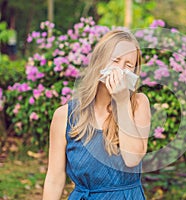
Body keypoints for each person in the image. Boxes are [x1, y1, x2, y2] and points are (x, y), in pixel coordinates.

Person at [42, 30, 151, 200]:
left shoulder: (138, 104)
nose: (121, 69)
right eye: (115, 60)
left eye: (129, 65)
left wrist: (122, 102)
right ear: (99, 62)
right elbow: (55, 178)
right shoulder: (65, 116)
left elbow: (132, 159)